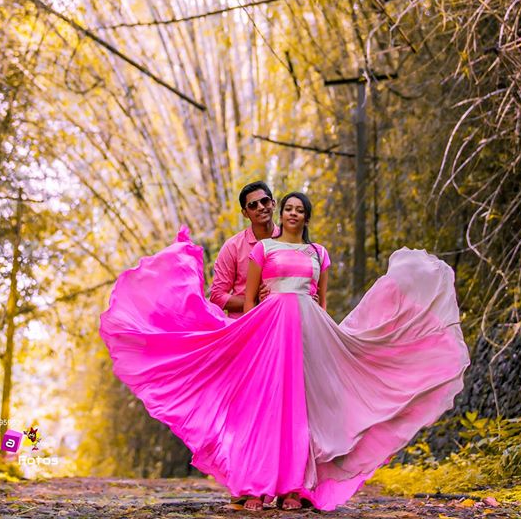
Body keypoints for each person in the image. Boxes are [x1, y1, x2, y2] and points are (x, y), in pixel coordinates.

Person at [99, 191, 470, 512]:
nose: (292, 213)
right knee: (266, 407)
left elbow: (321, 303)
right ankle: (255, 486)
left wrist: (329, 344)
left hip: (308, 329)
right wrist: (247, 338)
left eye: (297, 209)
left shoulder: (318, 253)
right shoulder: (261, 249)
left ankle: (296, 485)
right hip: (269, 327)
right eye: (287, 208)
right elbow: (249, 302)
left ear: (305, 216)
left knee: (300, 406)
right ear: (277, 214)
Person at [209, 181, 278, 319]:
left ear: (273, 204)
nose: (260, 207)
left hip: (283, 323)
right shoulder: (232, 247)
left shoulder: (291, 242)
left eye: (265, 201)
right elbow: (217, 296)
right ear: (245, 213)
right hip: (245, 328)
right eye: (253, 205)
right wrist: (254, 300)